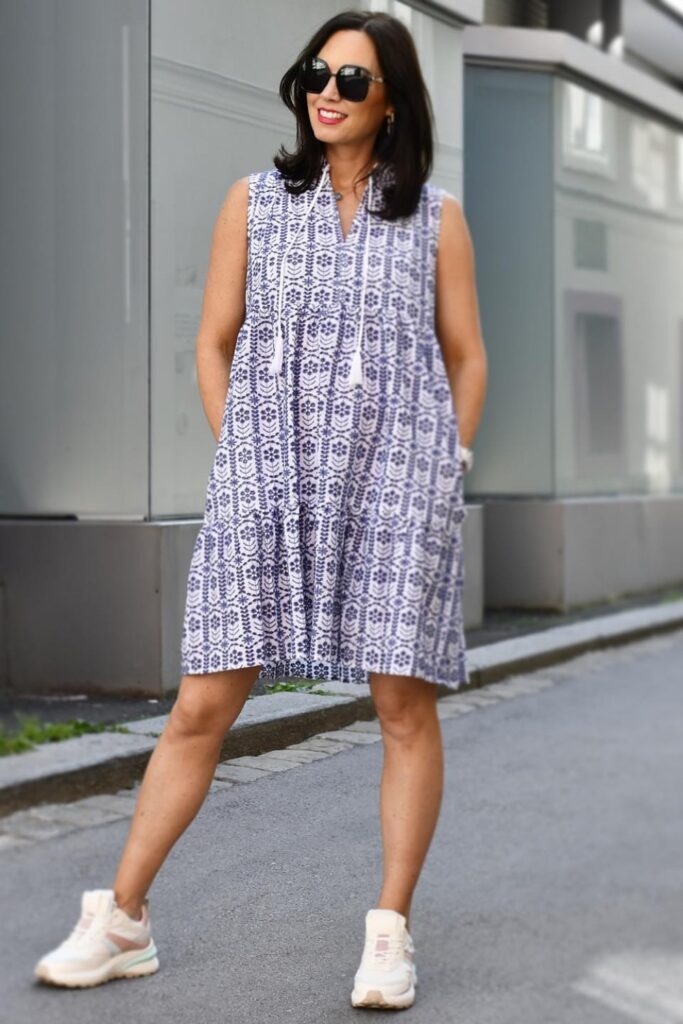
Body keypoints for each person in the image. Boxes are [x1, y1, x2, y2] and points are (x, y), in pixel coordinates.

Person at [33, 9, 487, 1010]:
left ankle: (387, 931)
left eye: (352, 79)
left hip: (395, 484)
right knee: (203, 701)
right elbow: (213, 340)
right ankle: (123, 917)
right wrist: (240, 450)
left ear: (392, 101)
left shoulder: (434, 217)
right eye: (314, 72)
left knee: (399, 705)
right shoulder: (253, 201)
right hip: (265, 481)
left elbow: (466, 354)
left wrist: (442, 463)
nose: (326, 89)